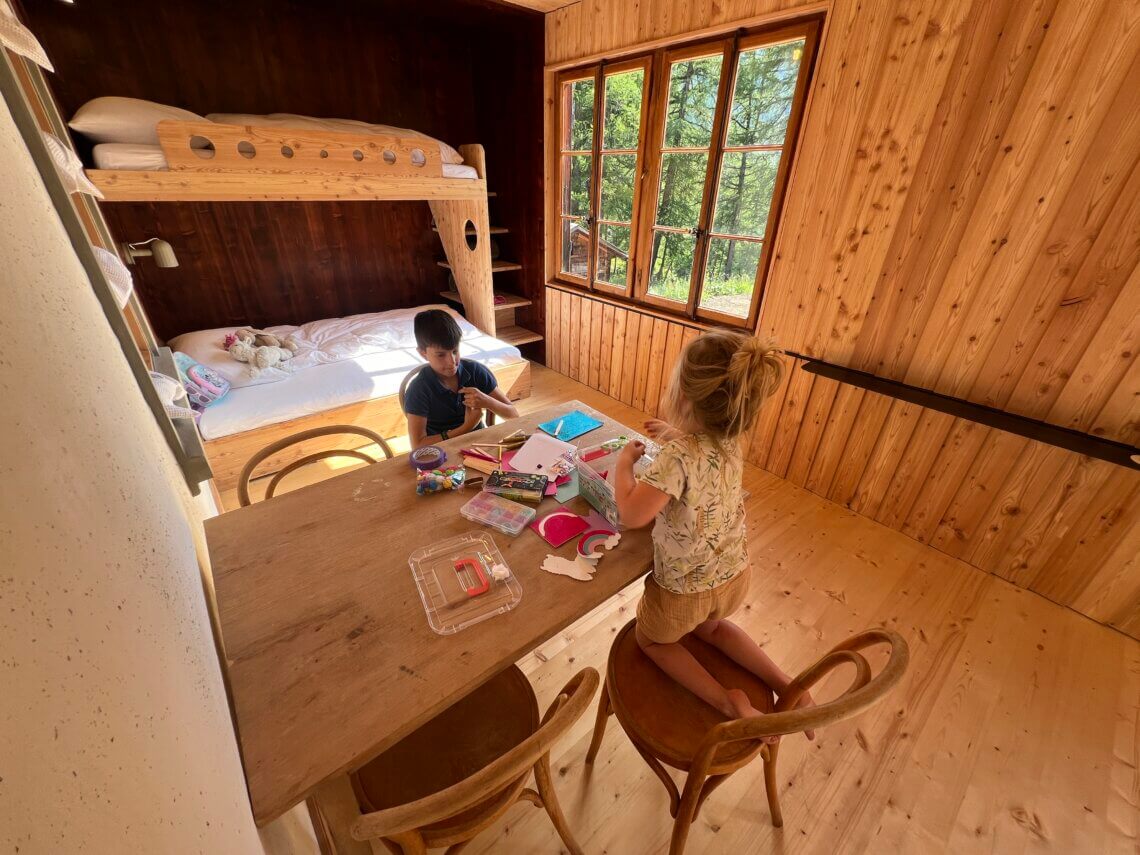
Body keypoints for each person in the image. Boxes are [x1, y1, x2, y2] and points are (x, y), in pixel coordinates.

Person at [613, 329, 813, 734]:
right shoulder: (732, 441)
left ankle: (727, 700)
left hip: (682, 594)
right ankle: (787, 684)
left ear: (684, 397)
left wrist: (622, 463)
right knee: (714, 629)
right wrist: (674, 436)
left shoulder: (676, 458)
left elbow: (632, 514)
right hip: (734, 579)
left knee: (653, 641)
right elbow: (699, 455)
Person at [404, 309, 518, 450]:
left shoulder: (475, 371)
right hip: (441, 450)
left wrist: (488, 402)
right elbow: (417, 446)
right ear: (423, 353)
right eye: (441, 355)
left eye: (455, 351)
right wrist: (466, 427)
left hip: (480, 444)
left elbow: (514, 415)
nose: (452, 362)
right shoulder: (419, 389)